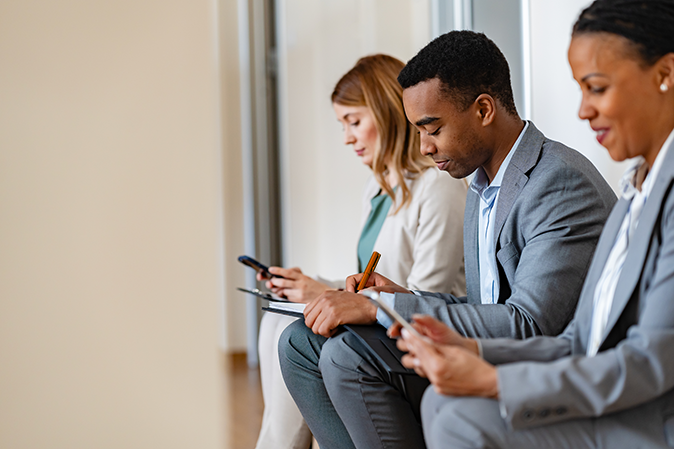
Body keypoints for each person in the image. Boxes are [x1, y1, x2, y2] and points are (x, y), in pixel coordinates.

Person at [279, 31, 617, 449]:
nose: (423, 147)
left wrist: (381, 307)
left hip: (532, 376)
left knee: (348, 353)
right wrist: (398, 297)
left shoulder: (558, 182)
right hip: (477, 350)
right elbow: (483, 307)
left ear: (484, 109)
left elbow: (528, 324)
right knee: (300, 342)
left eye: (432, 128)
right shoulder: (481, 185)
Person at [396, 1, 674, 448]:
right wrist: (475, 351)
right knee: (441, 404)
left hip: (651, 419)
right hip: (610, 394)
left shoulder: (570, 182)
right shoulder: (636, 189)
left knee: (459, 418)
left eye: (597, 88)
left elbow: (649, 363)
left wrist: (496, 382)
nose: (583, 111)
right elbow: (579, 340)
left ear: (665, 75)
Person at [254, 54, 468, 449]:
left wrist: (323, 295)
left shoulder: (438, 188)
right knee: (274, 318)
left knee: (290, 331)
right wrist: (312, 285)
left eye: (354, 122)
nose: (348, 137)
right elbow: (366, 280)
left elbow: (423, 296)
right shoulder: (380, 190)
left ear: (388, 113)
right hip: (382, 320)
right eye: (342, 126)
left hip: (420, 336)